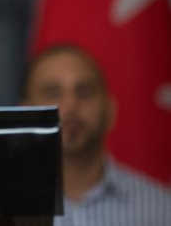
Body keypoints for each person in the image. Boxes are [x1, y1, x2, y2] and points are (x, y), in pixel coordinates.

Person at [23, 44, 171, 225]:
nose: (70, 105)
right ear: (25, 114)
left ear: (110, 111)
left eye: (84, 92)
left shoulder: (162, 211)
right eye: (53, 93)